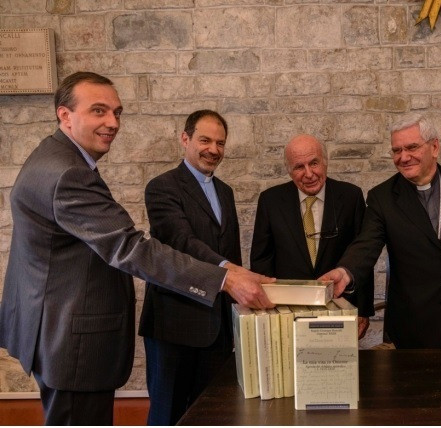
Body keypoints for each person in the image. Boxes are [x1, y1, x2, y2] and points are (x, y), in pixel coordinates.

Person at [0, 72, 273, 425]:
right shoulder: (68, 172)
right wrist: (225, 279)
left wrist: (232, 271)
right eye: (99, 111)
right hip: (70, 340)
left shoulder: (54, 157)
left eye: (117, 112)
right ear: (65, 115)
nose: (113, 122)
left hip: (55, 329)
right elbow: (130, 247)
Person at [322, 114, 441, 349]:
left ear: (434, 147)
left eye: (412, 147)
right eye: (396, 150)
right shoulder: (382, 197)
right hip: (415, 321)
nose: (403, 157)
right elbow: (367, 244)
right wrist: (345, 272)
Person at [138, 110, 241, 425]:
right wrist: (231, 272)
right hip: (174, 326)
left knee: (212, 415)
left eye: (220, 143)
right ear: (185, 139)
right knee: (168, 415)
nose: (213, 149)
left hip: (217, 329)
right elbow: (181, 241)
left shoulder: (225, 191)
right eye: (205, 140)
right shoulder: (162, 187)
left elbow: (231, 250)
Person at [250, 134, 373, 336]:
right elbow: (262, 260)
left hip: (340, 308)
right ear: (289, 171)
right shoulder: (270, 201)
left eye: (314, 163)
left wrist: (364, 309)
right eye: (299, 167)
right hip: (286, 313)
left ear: (325, 162)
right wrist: (265, 311)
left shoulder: (351, 197)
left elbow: (363, 254)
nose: (309, 174)